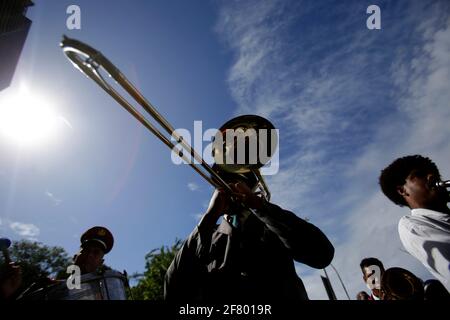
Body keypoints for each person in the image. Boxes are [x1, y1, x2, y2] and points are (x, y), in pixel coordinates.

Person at [164, 170, 335, 302]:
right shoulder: (206, 235)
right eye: (226, 177)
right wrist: (208, 218)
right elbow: (172, 291)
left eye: (241, 179)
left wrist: (260, 206)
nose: (233, 185)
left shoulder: (273, 223)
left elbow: (322, 255)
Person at [379, 155, 450, 292]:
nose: (431, 176)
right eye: (419, 175)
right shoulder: (412, 225)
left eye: (434, 173)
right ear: (402, 190)